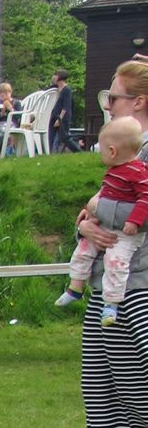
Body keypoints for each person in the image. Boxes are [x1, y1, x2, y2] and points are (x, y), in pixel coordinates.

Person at [42, 60, 148, 428]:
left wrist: (99, 216)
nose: (107, 106)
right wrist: (87, 224)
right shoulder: (125, 153)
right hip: (109, 285)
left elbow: (122, 213)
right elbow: (96, 210)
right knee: (103, 387)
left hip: (136, 286)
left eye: (113, 98)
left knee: (136, 389)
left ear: (138, 102)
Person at [56, 118, 148, 324]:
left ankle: (111, 305)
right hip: (106, 226)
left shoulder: (138, 171)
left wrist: (134, 221)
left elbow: (145, 198)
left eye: (102, 150)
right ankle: (75, 287)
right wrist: (89, 216)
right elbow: (106, 196)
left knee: (115, 262)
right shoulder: (115, 170)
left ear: (113, 151)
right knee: (83, 249)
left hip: (127, 233)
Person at [49, 69, 75, 153]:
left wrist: (59, 119)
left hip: (63, 119)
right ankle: (51, 154)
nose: (54, 77)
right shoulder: (55, 89)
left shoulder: (67, 90)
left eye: (55, 75)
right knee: (52, 138)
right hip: (54, 117)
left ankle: (78, 151)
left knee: (62, 139)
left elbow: (66, 106)